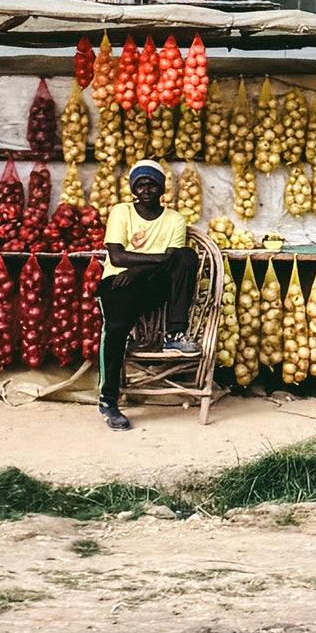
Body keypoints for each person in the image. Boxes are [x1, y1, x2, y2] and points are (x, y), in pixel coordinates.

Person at [96, 162, 200, 431]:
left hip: (153, 284)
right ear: (133, 188)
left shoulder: (175, 219)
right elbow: (116, 256)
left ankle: (174, 336)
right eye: (140, 184)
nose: (146, 189)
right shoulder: (122, 212)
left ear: (162, 188)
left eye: (152, 184)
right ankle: (108, 400)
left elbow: (174, 261)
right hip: (118, 282)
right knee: (116, 327)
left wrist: (138, 269)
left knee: (186, 256)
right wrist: (150, 262)